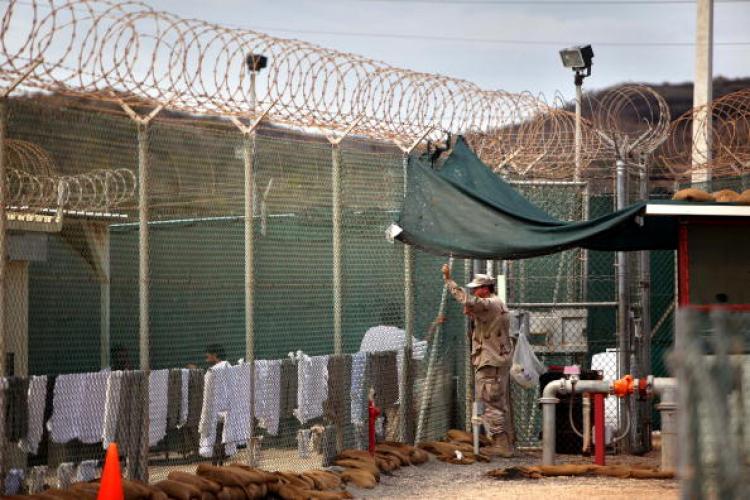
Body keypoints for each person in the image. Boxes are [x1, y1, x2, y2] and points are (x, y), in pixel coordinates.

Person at [442, 264, 515, 458]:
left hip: (490, 361)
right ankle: (505, 442)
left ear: (485, 288)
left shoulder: (490, 303)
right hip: (496, 360)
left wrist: (449, 281)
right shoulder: (496, 304)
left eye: (476, 288)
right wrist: (473, 313)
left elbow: (467, 299)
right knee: (498, 402)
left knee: (490, 401)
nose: (474, 291)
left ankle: (501, 445)